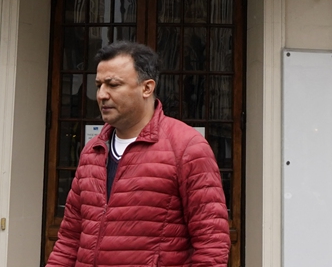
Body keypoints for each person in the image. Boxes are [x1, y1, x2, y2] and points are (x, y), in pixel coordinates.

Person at [45, 40, 230, 267]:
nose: (101, 95)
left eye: (113, 85)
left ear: (147, 88)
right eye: (99, 85)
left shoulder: (187, 147)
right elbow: (69, 239)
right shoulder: (92, 151)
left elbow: (212, 244)